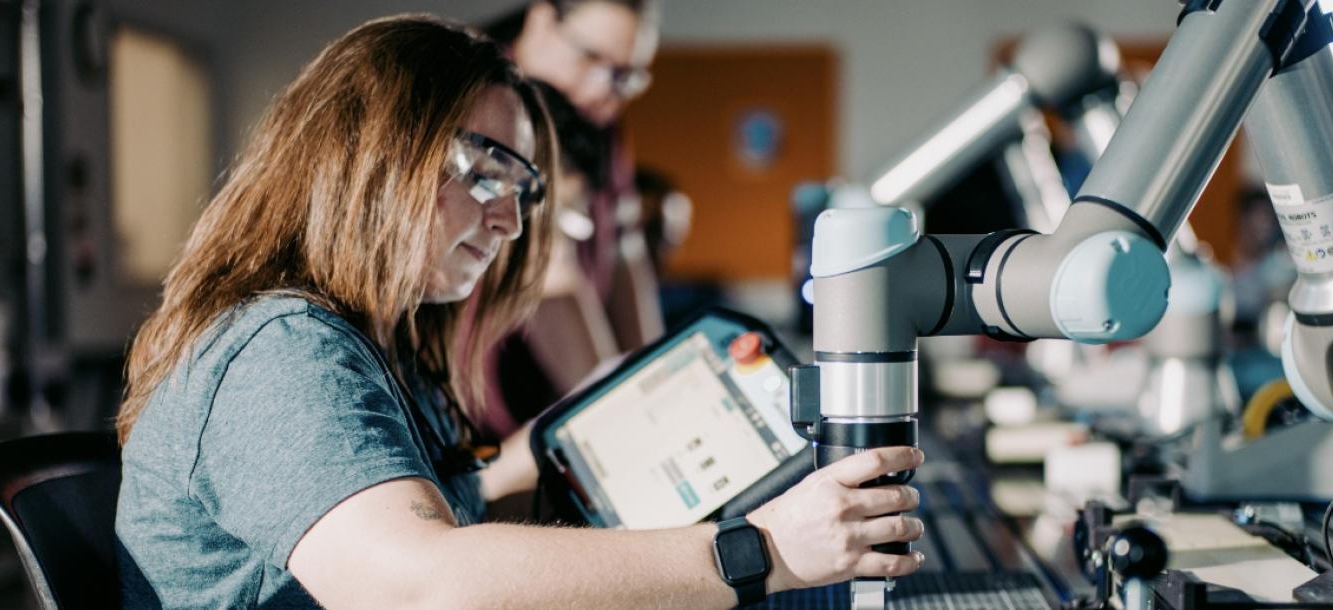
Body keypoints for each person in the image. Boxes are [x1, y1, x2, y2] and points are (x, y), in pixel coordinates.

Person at [113, 16, 924, 609]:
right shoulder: (278, 353)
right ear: (375, 149)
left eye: (522, 192)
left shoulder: (381, 349)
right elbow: (421, 585)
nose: (507, 222)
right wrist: (764, 550)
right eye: (485, 174)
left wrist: (566, 442)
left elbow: (449, 520)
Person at [478, 0, 666, 435]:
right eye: (590, 57)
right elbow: (551, 273)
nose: (603, 89)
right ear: (542, 20)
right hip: (494, 399)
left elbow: (625, 249)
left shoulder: (595, 114)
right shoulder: (484, 97)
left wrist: (656, 384)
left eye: (624, 77)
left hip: (566, 385)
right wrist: (622, 421)